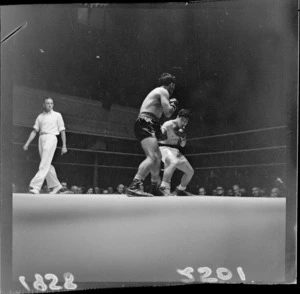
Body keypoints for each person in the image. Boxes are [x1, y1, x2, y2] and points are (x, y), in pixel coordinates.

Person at [126, 73, 178, 196]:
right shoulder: (163, 91)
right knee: (153, 156)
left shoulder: (158, 93)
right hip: (145, 122)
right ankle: (134, 185)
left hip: (149, 122)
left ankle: (154, 187)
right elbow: (168, 113)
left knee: (158, 157)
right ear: (171, 85)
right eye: (173, 87)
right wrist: (173, 105)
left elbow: (156, 115)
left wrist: (160, 131)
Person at [23, 97, 67, 194]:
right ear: (44, 104)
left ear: (53, 105)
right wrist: (27, 143)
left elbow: (62, 131)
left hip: (51, 138)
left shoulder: (57, 115)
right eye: (47, 103)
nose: (50, 105)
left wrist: (64, 145)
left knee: (44, 163)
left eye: (51, 103)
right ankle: (57, 185)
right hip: (41, 138)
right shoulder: (40, 117)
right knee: (46, 163)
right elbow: (34, 131)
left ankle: (35, 186)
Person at [158, 109, 194, 196]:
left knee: (190, 171)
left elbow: (182, 145)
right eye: (182, 120)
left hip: (175, 151)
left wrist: (183, 137)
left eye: (186, 121)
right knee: (173, 162)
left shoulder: (182, 128)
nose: (184, 123)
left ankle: (180, 190)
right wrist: (162, 132)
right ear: (177, 117)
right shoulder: (168, 124)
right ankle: (162, 188)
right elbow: (160, 135)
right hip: (164, 148)